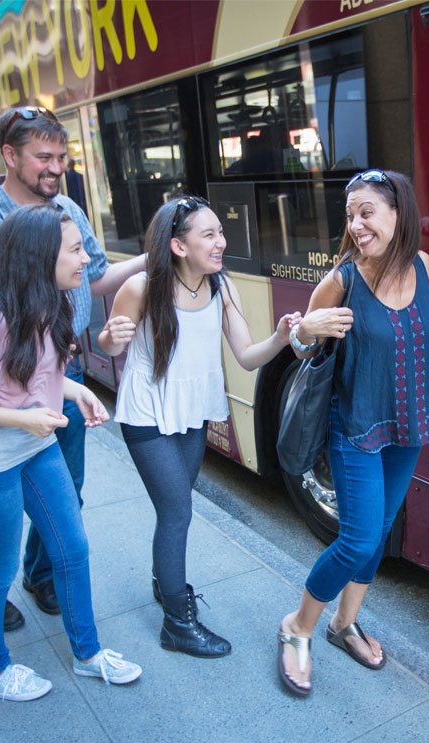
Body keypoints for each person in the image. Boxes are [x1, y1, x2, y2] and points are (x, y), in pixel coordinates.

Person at [275, 170, 429, 696]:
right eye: (351, 215)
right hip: (357, 428)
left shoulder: (422, 266)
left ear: (397, 213)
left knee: (380, 528)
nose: (356, 224)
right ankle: (298, 626)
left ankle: (344, 624)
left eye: (366, 212)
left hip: (407, 426)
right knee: (358, 538)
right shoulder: (343, 280)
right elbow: (300, 347)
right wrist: (303, 330)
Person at [0, 106, 145, 630]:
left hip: (59, 381)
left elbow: (91, 277)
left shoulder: (67, 206)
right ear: (9, 155)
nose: (56, 168)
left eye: (62, 157)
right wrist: (14, 330)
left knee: (65, 488)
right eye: (43, 157)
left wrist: (154, 255)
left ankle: (42, 575)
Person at [98, 196, 300, 658]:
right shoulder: (141, 288)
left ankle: (163, 580)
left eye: (220, 232)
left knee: (176, 508)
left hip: (193, 412)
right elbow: (109, 344)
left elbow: (248, 357)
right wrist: (112, 338)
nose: (221, 242)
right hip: (148, 413)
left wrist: (280, 337)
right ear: (178, 245)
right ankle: (177, 622)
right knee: (178, 512)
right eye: (208, 234)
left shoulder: (221, 287)